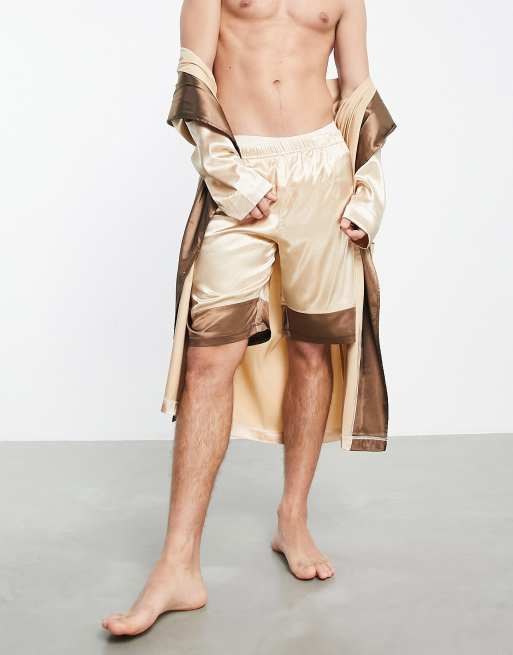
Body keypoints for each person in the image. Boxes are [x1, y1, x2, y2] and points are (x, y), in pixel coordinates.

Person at [103, 0, 395, 637]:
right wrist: (229, 176)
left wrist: (369, 190)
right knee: (208, 360)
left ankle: (293, 517)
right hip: (244, 174)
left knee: (313, 348)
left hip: (324, 175)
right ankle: (178, 564)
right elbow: (195, 79)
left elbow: (358, 93)